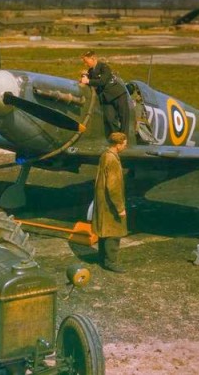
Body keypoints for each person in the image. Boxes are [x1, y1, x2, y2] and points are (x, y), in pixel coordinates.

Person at [92, 132, 128, 273]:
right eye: (124, 144)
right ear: (118, 145)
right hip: (110, 203)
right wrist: (120, 208)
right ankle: (111, 262)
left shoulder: (105, 155)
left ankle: (102, 258)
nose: (125, 146)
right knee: (114, 233)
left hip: (103, 201)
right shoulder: (112, 159)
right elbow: (113, 187)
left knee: (104, 231)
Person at [80, 51, 129, 135]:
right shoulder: (91, 71)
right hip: (106, 97)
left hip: (117, 94)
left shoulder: (104, 67)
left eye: (86, 61)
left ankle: (124, 138)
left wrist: (88, 80)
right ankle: (116, 137)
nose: (85, 64)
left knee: (123, 117)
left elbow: (102, 81)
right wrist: (84, 77)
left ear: (93, 58)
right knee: (109, 119)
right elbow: (91, 81)